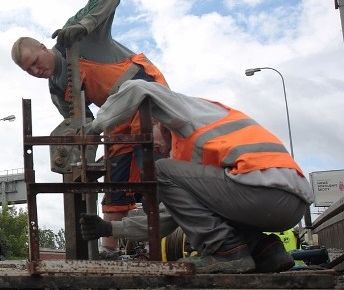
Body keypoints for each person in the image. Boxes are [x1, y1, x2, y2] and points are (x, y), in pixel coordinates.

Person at [79, 80, 313, 273]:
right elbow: (170, 216)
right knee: (180, 183)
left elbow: (139, 87)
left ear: (156, 122)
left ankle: (225, 252)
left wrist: (92, 129)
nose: (153, 150)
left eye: (151, 141)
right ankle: (265, 249)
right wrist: (109, 229)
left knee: (161, 170)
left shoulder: (186, 114)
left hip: (264, 190)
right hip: (289, 202)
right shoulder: (193, 159)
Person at [11, 0, 169, 257]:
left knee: (152, 171)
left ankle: (167, 236)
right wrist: (83, 164)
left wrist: (85, 25)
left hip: (145, 94)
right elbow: (84, 128)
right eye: (29, 70)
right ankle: (109, 249)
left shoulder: (74, 37)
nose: (36, 70)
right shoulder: (57, 89)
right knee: (115, 175)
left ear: (42, 46)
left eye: (36, 61)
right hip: (117, 116)